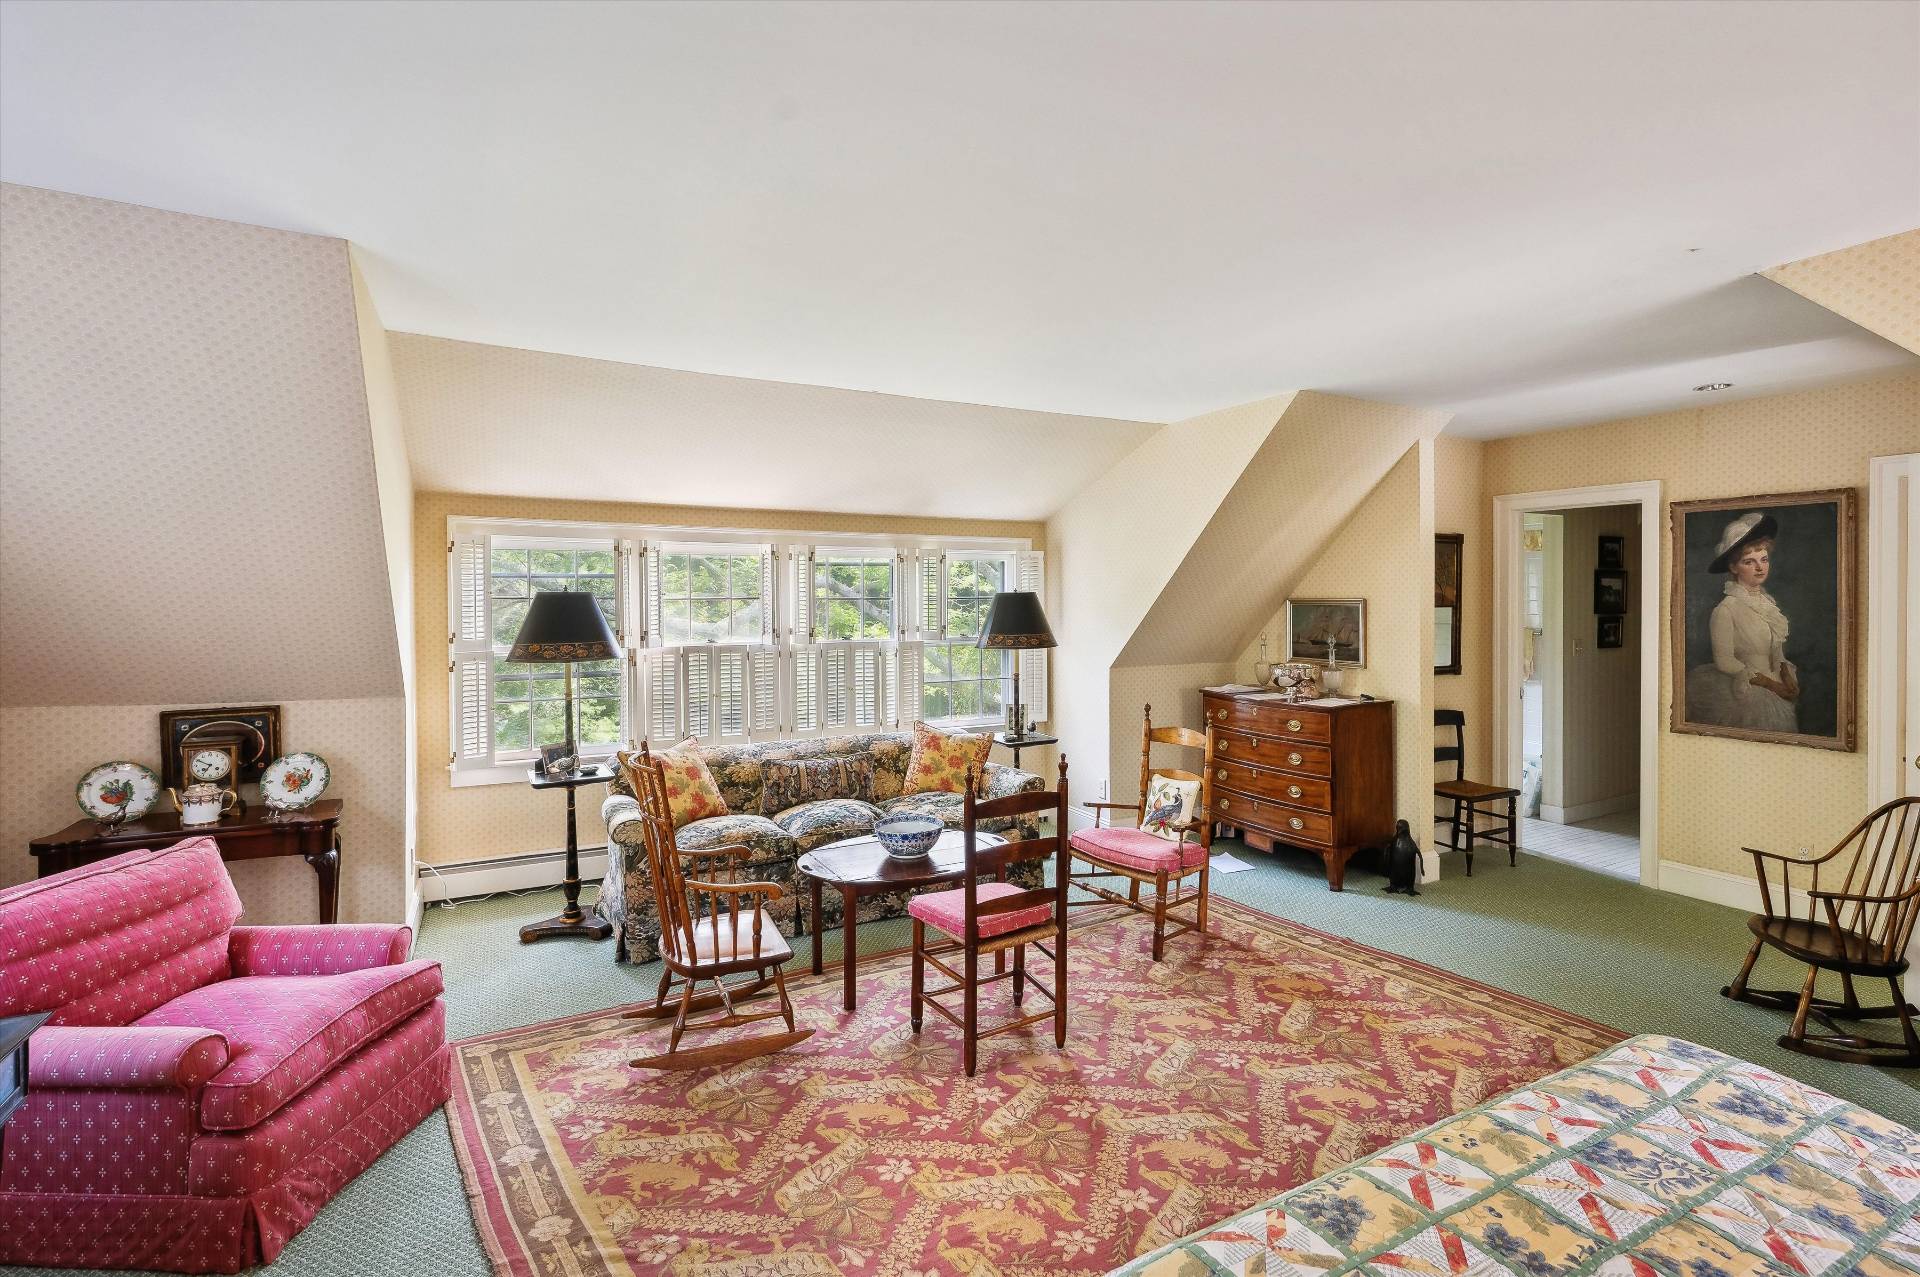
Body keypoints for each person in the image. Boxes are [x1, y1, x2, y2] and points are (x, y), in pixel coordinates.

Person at [1686, 511, 1797, 733]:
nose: (1759, 567)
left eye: (1763, 559)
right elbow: (1725, 661)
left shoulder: (1768, 605)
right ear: (1734, 567)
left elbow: (1775, 649)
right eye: (1749, 561)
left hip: (1777, 688)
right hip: (1750, 692)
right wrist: (1770, 684)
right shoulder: (1725, 610)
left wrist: (1786, 675)